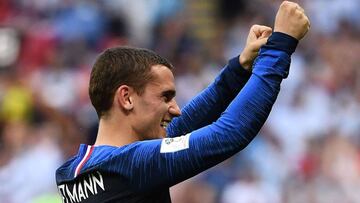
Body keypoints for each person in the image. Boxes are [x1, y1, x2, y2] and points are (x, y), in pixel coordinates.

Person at [55, 1, 310, 202]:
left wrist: (239, 69)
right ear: (127, 97)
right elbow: (228, 134)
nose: (175, 109)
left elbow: (178, 130)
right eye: (165, 97)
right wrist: (280, 46)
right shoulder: (130, 166)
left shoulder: (74, 172)